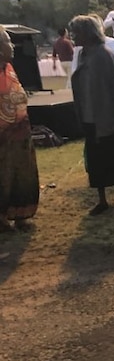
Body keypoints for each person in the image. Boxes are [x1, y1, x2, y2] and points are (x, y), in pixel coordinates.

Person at [67, 15, 114, 216]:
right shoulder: (82, 54)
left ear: (88, 33)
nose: (73, 36)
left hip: (109, 116)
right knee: (96, 160)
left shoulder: (105, 55)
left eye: (77, 32)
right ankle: (102, 200)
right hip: (90, 117)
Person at [0, 25, 39, 232]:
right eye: (7, 41)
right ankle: (2, 218)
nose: (12, 45)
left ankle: (21, 214)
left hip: (21, 133)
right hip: (3, 137)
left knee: (23, 174)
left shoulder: (9, 68)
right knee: (3, 176)